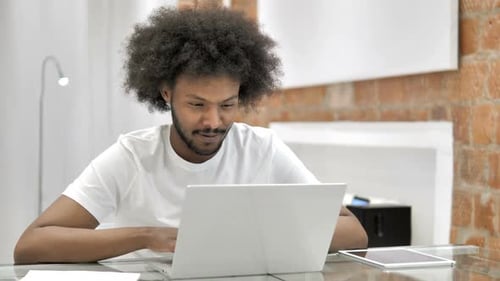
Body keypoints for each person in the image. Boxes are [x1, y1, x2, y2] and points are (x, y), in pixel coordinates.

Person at [14, 7, 367, 264]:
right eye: (197, 104)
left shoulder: (262, 148)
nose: (213, 121)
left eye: (227, 104)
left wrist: (245, 235)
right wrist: (147, 236)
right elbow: (32, 245)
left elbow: (355, 234)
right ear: (166, 92)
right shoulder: (133, 156)